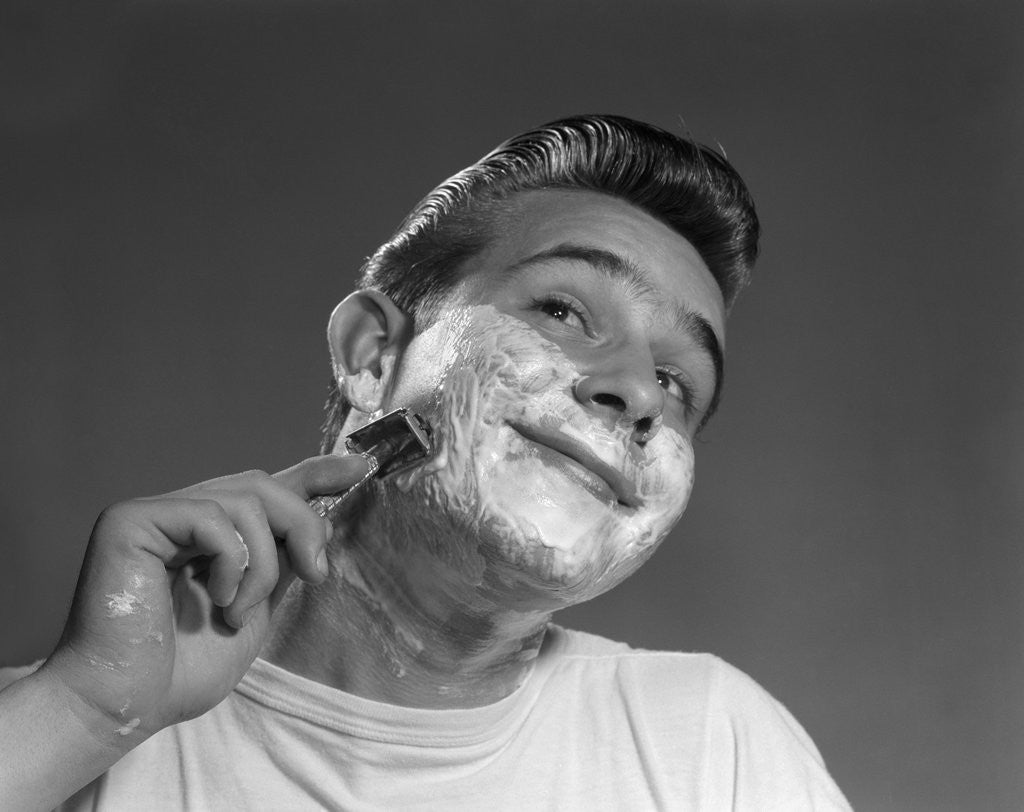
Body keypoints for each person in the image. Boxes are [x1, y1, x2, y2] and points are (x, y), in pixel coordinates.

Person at [0, 115, 851, 810]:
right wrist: (84, 714)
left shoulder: (713, 747)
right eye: (563, 309)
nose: (637, 392)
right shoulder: (61, 729)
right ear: (373, 355)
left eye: (677, 382)